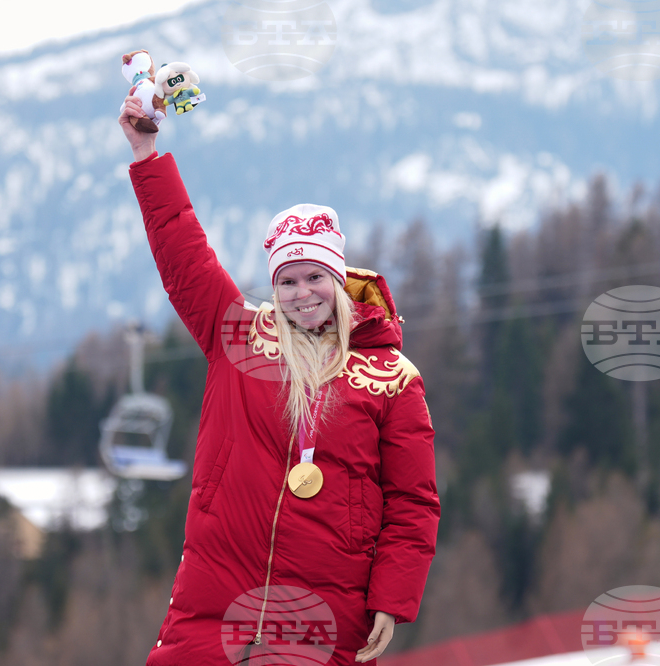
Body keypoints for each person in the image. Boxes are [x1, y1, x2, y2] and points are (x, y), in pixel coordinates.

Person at [120, 95, 439, 665]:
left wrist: (393, 598)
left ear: (340, 279)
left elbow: (412, 502)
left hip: (328, 614)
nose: (301, 293)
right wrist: (147, 153)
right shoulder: (238, 336)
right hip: (214, 600)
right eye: (287, 280)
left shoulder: (392, 377)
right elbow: (182, 251)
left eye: (315, 275)